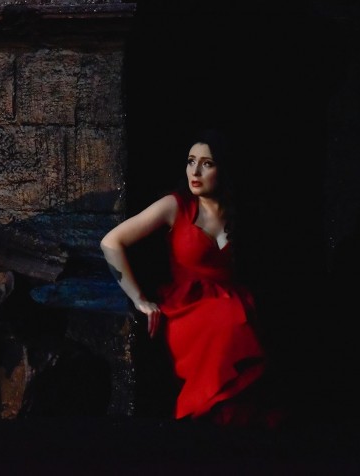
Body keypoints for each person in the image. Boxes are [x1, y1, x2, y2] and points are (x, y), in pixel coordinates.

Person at [100, 129, 269, 425]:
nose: (195, 171)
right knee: (229, 322)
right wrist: (139, 299)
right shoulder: (176, 205)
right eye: (191, 161)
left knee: (239, 320)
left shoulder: (237, 213)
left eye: (207, 163)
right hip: (186, 309)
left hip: (230, 307)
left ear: (223, 169)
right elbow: (111, 242)